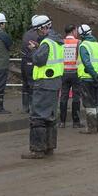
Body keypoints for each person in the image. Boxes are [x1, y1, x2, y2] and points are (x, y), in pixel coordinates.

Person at [21, 15, 63, 159]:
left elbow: (39, 60)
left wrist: (34, 50)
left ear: (44, 28)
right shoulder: (57, 41)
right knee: (50, 116)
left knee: (38, 116)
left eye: (38, 31)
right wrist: (39, 47)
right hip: (55, 83)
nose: (37, 34)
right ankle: (49, 147)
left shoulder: (46, 43)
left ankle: (37, 149)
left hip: (44, 83)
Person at [76, 24, 98, 134]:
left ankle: (91, 128)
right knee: (97, 102)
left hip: (87, 78)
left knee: (89, 103)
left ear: (82, 35)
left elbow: (86, 62)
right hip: (96, 79)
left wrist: (93, 74)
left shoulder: (84, 46)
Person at [59, 24, 83, 129]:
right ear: (73, 31)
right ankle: (76, 122)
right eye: (76, 30)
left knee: (63, 97)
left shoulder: (61, 43)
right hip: (75, 72)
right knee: (76, 97)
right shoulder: (78, 42)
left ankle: (62, 122)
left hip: (64, 72)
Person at [20, 19, 38, 114]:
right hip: (32, 61)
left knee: (25, 83)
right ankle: (32, 107)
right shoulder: (37, 35)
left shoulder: (26, 34)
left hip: (24, 61)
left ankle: (25, 106)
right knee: (32, 84)